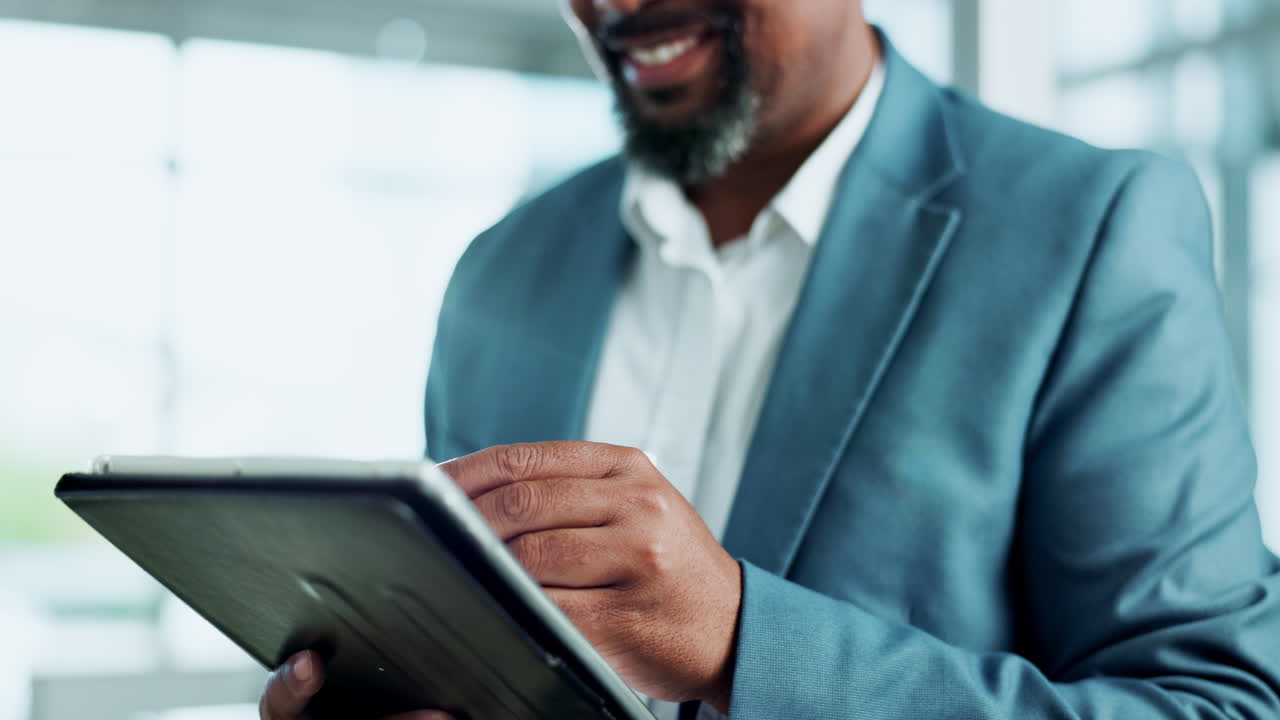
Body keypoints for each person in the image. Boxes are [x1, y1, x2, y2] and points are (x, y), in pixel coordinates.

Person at [261, 0, 1280, 718]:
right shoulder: (502, 268)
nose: (616, 4)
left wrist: (740, 643)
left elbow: (1214, 704)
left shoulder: (1088, 228)